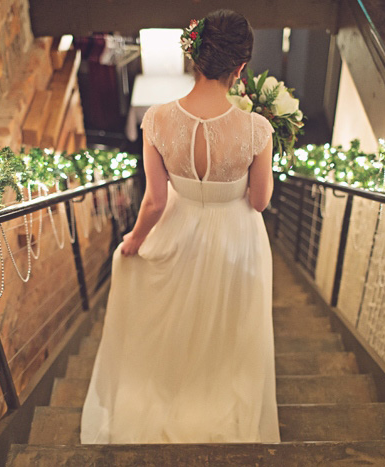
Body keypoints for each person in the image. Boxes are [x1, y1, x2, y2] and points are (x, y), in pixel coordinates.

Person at [80, 9, 279, 444]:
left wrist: (133, 241)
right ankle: (219, 406)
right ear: (240, 68)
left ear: (195, 57)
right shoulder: (257, 129)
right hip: (237, 240)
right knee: (229, 333)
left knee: (175, 330)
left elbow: (153, 201)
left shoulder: (156, 120)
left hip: (178, 226)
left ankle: (174, 398)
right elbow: (260, 201)